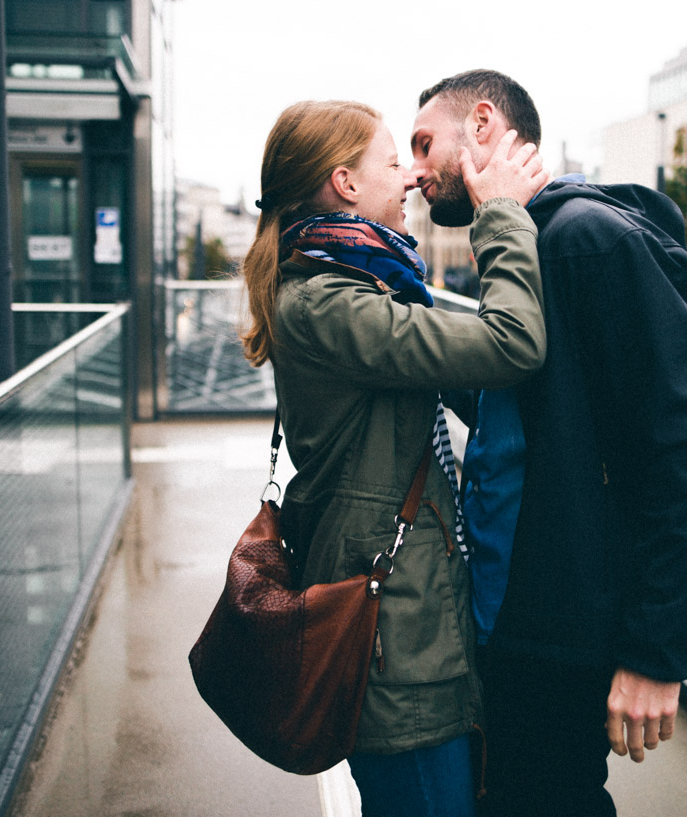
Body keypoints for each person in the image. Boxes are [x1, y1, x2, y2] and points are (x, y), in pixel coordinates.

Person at [411, 70, 687, 816]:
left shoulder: (586, 240)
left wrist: (656, 651)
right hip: (507, 616)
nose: (416, 172)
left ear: (482, 124)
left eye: (425, 145)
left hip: (557, 629)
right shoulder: (519, 239)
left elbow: (681, 447)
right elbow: (527, 404)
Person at [239, 99, 550, 817]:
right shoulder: (328, 303)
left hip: (406, 623)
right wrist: (501, 214)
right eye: (391, 161)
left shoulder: (355, 282)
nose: (411, 176)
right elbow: (511, 344)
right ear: (346, 184)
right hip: (395, 644)